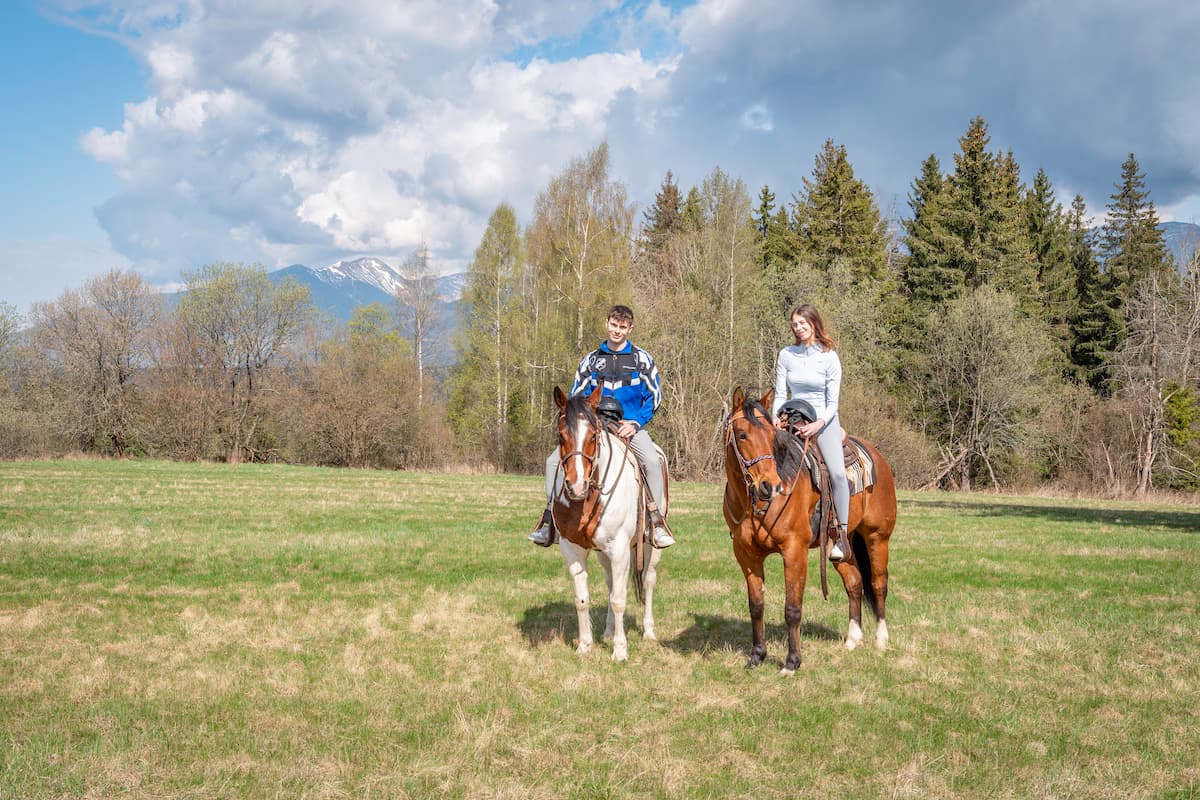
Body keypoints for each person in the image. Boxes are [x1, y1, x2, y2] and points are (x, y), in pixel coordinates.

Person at [528, 304, 675, 549]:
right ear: (607, 324)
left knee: (651, 461)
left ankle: (655, 523)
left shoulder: (642, 360)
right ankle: (549, 521)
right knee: (552, 462)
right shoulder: (591, 361)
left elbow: (654, 396)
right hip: (594, 427)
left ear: (630, 328)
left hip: (629, 427)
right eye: (614, 325)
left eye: (623, 327)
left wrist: (637, 422)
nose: (617, 330)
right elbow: (576, 397)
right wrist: (588, 420)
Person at [771, 303, 850, 562]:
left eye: (803, 323)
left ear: (814, 323)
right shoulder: (786, 354)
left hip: (823, 421)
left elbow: (832, 402)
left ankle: (841, 535)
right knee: (763, 462)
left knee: (837, 474)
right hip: (793, 416)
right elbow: (782, 392)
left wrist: (818, 425)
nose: (798, 328)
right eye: (795, 324)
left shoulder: (829, 356)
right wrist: (776, 415)